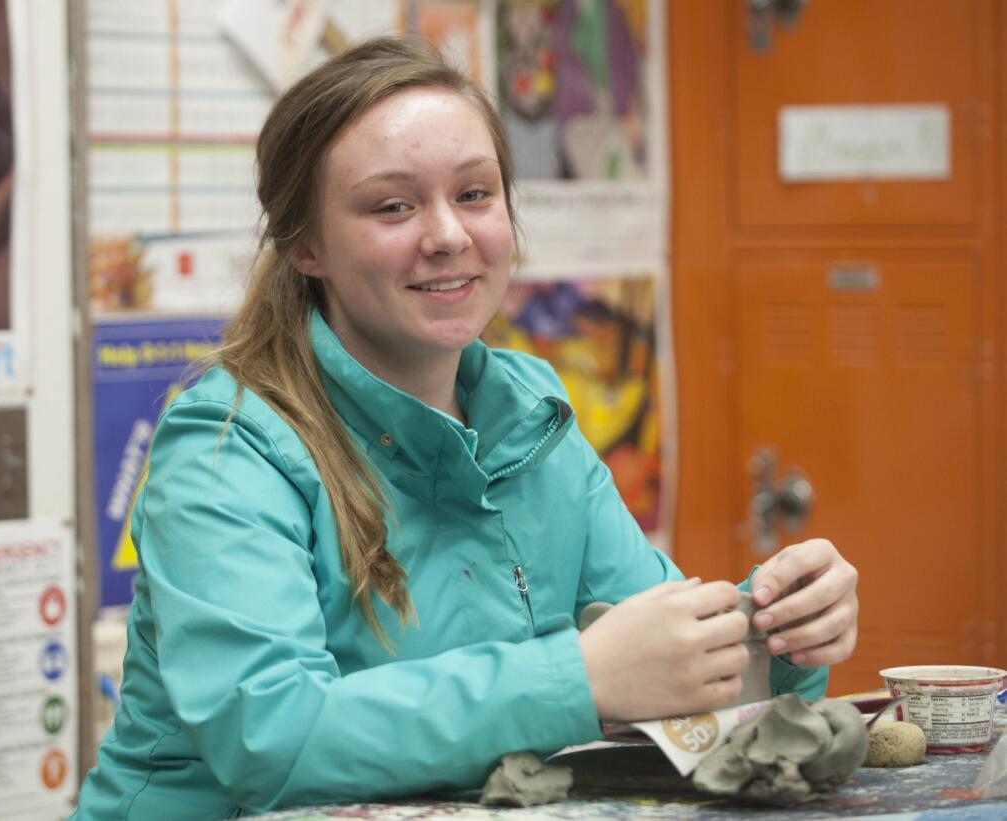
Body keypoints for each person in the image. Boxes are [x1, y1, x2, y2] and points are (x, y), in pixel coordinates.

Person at [73, 36, 859, 819]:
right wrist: (579, 679)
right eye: (393, 205)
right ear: (304, 245)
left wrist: (778, 634)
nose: (448, 234)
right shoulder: (228, 445)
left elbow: (656, 665)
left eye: (475, 194)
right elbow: (272, 739)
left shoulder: (529, 413)